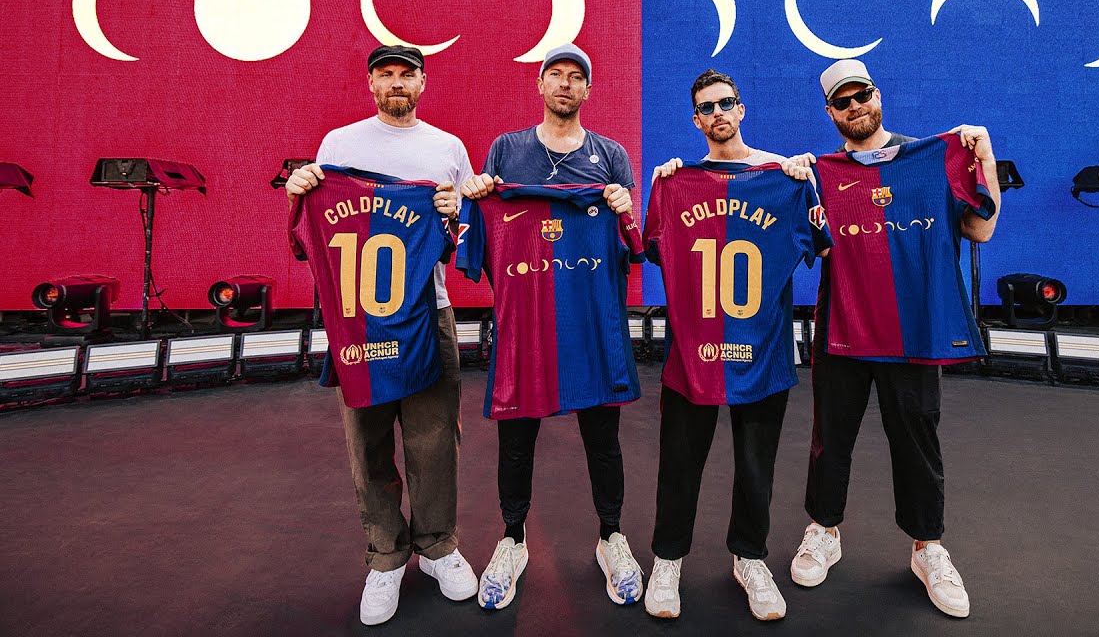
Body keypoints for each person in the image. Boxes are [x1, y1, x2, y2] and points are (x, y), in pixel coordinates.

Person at [787, 58, 1000, 619]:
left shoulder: (929, 161)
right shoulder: (819, 173)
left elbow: (981, 227)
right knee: (829, 437)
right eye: (843, 101)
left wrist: (985, 157)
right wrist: (790, 181)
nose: (856, 106)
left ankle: (928, 548)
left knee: (917, 438)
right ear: (830, 112)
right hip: (843, 326)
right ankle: (823, 531)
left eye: (862, 95)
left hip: (914, 331)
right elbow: (802, 244)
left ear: (878, 96)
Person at [285, 44, 477, 626]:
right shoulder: (339, 144)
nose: (397, 83)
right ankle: (386, 556)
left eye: (407, 74)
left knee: (434, 435)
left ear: (423, 81)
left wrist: (453, 211)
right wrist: (301, 188)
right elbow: (317, 226)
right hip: (358, 316)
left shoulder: (447, 148)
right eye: (386, 74)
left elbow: (467, 235)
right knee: (366, 436)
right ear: (371, 82)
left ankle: (439, 545)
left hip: (428, 310)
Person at [458, 43, 643, 609]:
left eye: (576, 78)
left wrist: (622, 204)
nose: (565, 85)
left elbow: (632, 243)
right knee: (516, 441)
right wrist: (476, 196)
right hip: (525, 327)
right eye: (555, 76)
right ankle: (511, 540)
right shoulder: (506, 151)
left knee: (603, 440)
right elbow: (477, 238)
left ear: (588, 90)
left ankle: (612, 535)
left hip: (591, 323)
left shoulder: (610, 155)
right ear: (540, 86)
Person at [642, 69, 831, 621]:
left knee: (756, 465)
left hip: (762, 351)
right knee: (679, 463)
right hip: (694, 355)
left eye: (727, 103)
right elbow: (656, 248)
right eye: (707, 107)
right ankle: (667, 559)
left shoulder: (784, 175)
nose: (718, 112)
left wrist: (806, 184)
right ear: (696, 119)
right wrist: (666, 183)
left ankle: (750, 557)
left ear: (742, 109)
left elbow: (820, 245)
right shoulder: (674, 181)